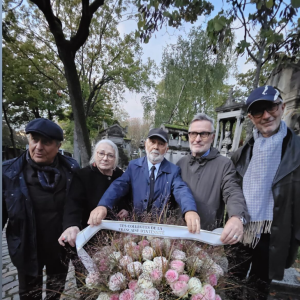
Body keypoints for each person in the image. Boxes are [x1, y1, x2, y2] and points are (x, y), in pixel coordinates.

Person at [231, 86, 300, 299]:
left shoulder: (297, 149)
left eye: (271, 107)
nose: (267, 116)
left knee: (258, 289)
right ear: (251, 118)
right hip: (242, 228)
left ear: (282, 107)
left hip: (274, 232)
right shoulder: (242, 153)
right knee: (230, 282)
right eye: (259, 112)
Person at [2, 118, 80, 300]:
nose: (38, 146)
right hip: (27, 247)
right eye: (34, 139)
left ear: (58, 145)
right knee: (29, 295)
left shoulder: (70, 170)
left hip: (59, 248)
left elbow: (76, 203)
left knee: (55, 292)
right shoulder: (9, 172)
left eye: (46, 142)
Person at [88, 128, 201, 233]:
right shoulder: (133, 166)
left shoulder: (173, 170)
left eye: (161, 144)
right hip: (135, 228)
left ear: (166, 149)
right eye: (152, 142)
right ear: (146, 144)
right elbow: (119, 186)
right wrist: (103, 205)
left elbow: (181, 190)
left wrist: (190, 210)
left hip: (160, 230)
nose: (156, 147)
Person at [176, 113, 250, 245]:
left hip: (207, 238)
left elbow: (232, 191)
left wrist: (237, 217)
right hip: (179, 236)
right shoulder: (180, 163)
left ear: (212, 137)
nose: (197, 139)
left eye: (203, 134)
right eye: (193, 134)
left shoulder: (224, 164)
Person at [58, 139, 130, 254]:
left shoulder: (120, 175)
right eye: (101, 153)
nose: (105, 158)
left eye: (110, 155)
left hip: (115, 237)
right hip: (90, 236)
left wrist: (126, 208)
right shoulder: (82, 175)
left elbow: (127, 196)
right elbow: (73, 203)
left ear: (115, 158)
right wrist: (71, 225)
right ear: (95, 154)